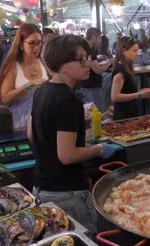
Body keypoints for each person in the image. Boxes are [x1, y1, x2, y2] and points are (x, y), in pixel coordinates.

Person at [28, 34, 115, 234]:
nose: (88, 64)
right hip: (67, 193)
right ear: (62, 65)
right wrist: (99, 149)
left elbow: (31, 133)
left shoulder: (42, 90)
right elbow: (67, 156)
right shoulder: (68, 99)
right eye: (81, 59)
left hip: (41, 187)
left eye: (87, 57)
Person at [0, 24, 48, 129]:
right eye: (31, 43)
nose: (36, 47)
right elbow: (5, 98)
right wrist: (29, 85)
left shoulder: (44, 62)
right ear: (21, 43)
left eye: (39, 43)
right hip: (20, 119)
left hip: (43, 116)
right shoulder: (13, 66)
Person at [111, 36, 150, 120]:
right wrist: (139, 95)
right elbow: (115, 97)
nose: (137, 53)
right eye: (134, 51)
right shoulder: (120, 71)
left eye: (137, 50)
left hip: (130, 112)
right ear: (124, 51)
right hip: (123, 115)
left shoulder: (127, 68)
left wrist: (142, 91)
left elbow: (127, 91)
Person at [80, 27, 113, 112]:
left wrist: (98, 59)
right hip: (91, 87)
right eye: (98, 38)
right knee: (96, 115)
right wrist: (109, 62)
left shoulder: (86, 49)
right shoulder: (88, 50)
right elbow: (98, 70)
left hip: (89, 86)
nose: (99, 41)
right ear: (94, 37)